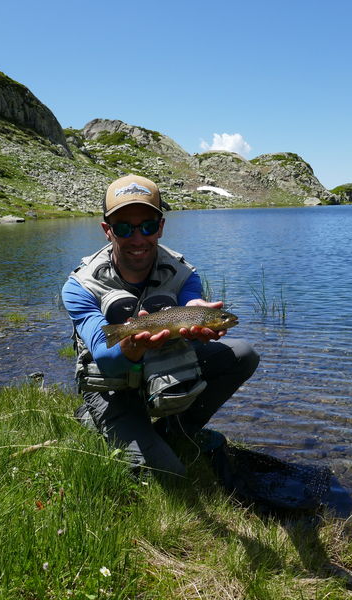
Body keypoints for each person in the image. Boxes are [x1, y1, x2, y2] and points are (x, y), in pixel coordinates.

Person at [62, 174, 259, 477]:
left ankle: (177, 428)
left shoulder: (183, 273)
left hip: (163, 371)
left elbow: (191, 311)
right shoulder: (80, 286)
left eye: (148, 226)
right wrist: (133, 343)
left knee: (243, 354)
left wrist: (195, 314)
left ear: (161, 227)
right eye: (124, 227)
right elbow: (105, 357)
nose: (138, 238)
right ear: (107, 231)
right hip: (111, 386)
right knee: (168, 475)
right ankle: (95, 416)